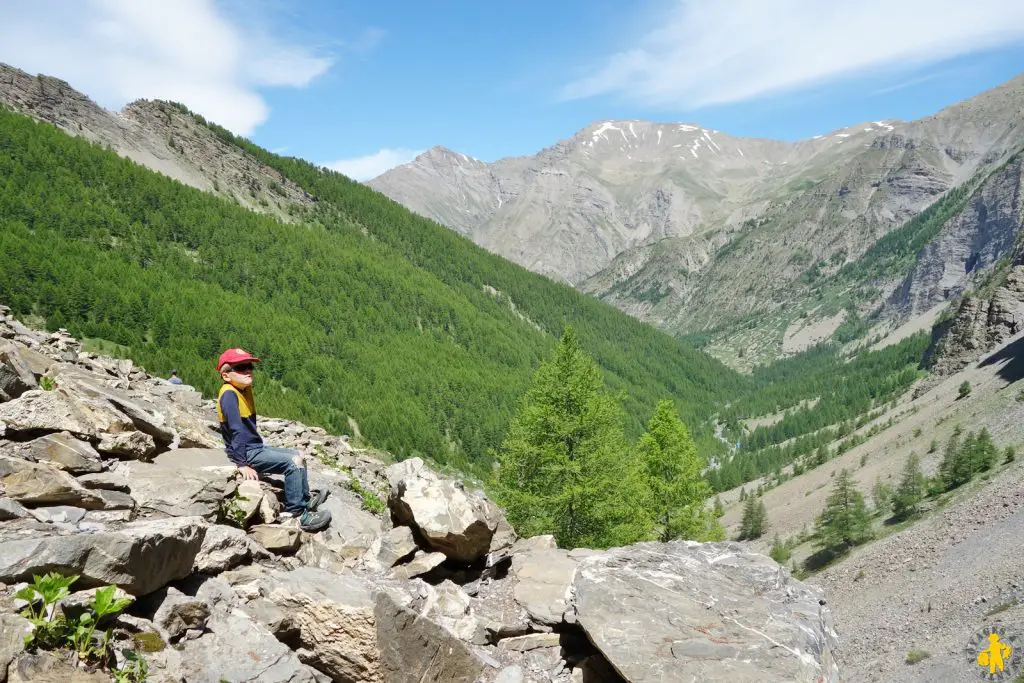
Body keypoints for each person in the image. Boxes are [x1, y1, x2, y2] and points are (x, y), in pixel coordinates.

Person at [216, 347, 331, 532]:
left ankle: (305, 499)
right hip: (247, 452)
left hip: (255, 447)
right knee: (293, 463)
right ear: (226, 376)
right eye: (241, 367)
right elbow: (235, 430)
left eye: (249, 366)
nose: (248, 370)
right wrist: (241, 463)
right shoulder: (229, 394)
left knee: (299, 454)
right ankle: (298, 514)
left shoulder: (243, 390)